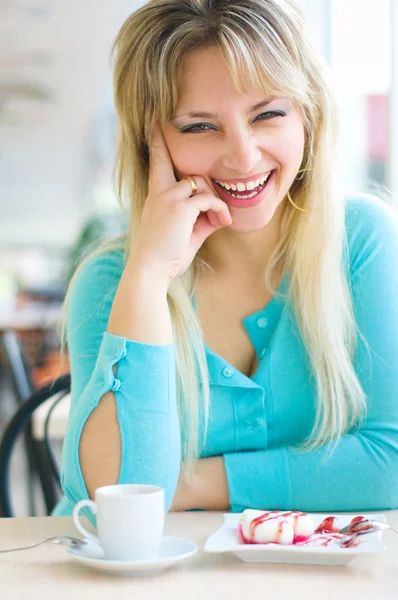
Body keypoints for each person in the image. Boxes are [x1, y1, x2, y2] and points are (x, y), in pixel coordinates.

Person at [53, 0, 398, 518]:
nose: (242, 156)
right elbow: (118, 497)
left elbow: (387, 466)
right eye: (197, 127)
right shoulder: (112, 281)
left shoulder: (361, 240)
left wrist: (189, 484)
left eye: (269, 114)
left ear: (309, 115)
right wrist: (148, 276)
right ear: (153, 145)